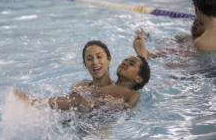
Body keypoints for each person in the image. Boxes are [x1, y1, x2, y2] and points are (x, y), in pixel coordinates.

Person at [14, 38, 150, 112]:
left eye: (99, 57)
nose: (95, 62)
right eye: (89, 59)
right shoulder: (80, 86)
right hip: (82, 118)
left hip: (102, 120)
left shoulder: (125, 91)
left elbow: (139, 77)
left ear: (109, 59)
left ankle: (34, 102)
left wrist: (118, 105)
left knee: (79, 100)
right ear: (85, 64)